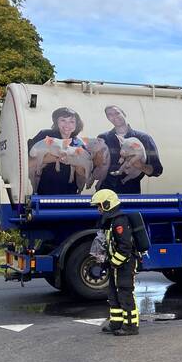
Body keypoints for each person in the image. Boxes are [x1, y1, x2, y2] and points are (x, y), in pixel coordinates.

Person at [90, 189, 139, 336]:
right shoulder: (110, 221)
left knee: (125, 292)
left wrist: (115, 262)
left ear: (107, 204)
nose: (98, 209)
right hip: (116, 264)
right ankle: (116, 322)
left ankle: (131, 326)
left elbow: (125, 246)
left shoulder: (120, 221)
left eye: (99, 205)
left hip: (124, 263)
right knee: (113, 293)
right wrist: (106, 261)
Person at [97, 105, 163, 194]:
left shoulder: (144, 138)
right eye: (110, 115)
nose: (114, 116)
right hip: (105, 191)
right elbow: (96, 166)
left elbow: (157, 170)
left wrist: (140, 166)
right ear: (108, 118)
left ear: (124, 114)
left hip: (131, 191)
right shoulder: (103, 138)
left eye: (117, 113)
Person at [28, 107, 86, 195]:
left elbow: (83, 173)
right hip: (44, 193)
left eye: (71, 121)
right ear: (56, 122)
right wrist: (56, 157)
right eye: (63, 120)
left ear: (76, 125)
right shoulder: (45, 135)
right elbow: (28, 162)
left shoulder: (79, 144)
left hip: (70, 194)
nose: (67, 125)